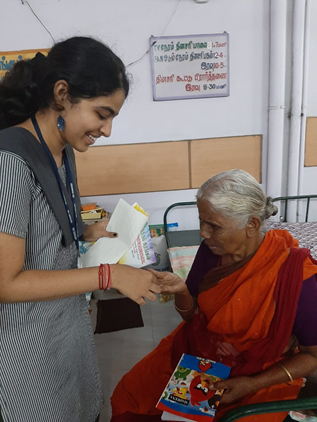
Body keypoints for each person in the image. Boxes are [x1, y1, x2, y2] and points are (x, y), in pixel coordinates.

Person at [0, 36, 161, 422]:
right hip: (26, 343)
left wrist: (84, 232)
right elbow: (6, 283)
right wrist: (109, 274)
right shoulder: (10, 161)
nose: (106, 130)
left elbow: (40, 226)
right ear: (62, 94)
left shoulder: (62, 149)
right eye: (101, 114)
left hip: (67, 327)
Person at [110, 169, 317, 422]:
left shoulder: (298, 277)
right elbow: (193, 317)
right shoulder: (212, 251)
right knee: (130, 394)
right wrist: (182, 290)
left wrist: (249, 384)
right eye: (201, 222)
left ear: (251, 225)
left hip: (259, 373)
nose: (203, 233)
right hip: (200, 352)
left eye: (214, 226)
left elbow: (312, 358)